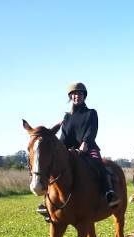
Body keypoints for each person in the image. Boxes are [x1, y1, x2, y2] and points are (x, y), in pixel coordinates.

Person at [36, 82, 119, 221]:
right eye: (74, 94)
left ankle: (109, 194)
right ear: (70, 97)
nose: (77, 96)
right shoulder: (67, 117)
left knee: (99, 164)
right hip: (71, 152)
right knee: (55, 169)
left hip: (89, 148)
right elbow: (64, 136)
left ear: (84, 96)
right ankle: (48, 201)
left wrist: (85, 142)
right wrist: (62, 149)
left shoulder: (91, 113)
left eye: (80, 94)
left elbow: (92, 130)